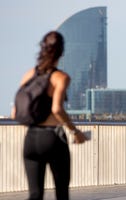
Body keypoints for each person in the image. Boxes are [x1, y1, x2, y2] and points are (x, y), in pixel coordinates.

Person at [11, 31, 87, 200]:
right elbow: (57, 109)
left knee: (35, 195)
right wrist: (75, 131)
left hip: (30, 139)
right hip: (52, 138)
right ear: (61, 52)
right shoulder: (61, 77)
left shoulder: (29, 75)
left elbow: (15, 111)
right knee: (61, 192)